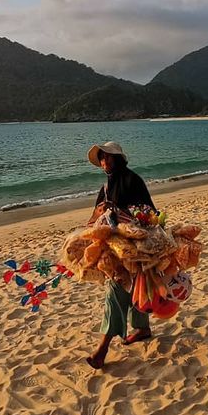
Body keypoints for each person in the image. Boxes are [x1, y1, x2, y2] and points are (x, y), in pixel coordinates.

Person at [85, 141, 154, 370]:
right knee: (133, 286)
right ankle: (142, 328)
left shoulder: (133, 180)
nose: (104, 162)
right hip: (114, 249)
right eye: (101, 158)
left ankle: (102, 349)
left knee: (118, 289)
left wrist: (124, 215)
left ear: (118, 158)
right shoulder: (105, 188)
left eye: (107, 157)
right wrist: (100, 214)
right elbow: (93, 220)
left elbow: (149, 213)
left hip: (136, 245)